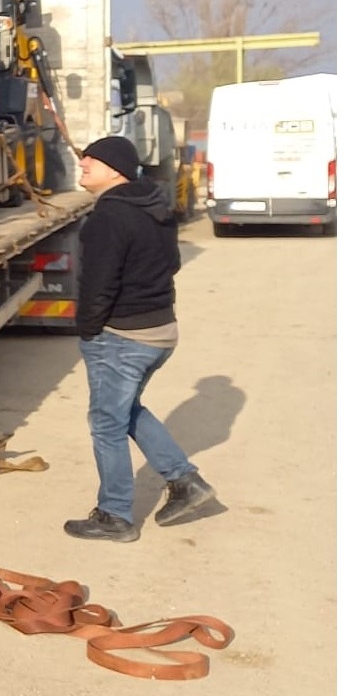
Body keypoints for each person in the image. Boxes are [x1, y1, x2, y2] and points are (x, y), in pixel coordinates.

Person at [62, 134, 223, 540]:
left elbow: (97, 285)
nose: (83, 164)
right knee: (125, 409)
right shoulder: (156, 207)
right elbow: (172, 262)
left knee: (106, 424)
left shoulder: (108, 217)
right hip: (161, 332)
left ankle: (114, 515)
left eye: (92, 160)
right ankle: (185, 482)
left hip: (123, 338)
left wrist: (89, 331)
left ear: (115, 170)